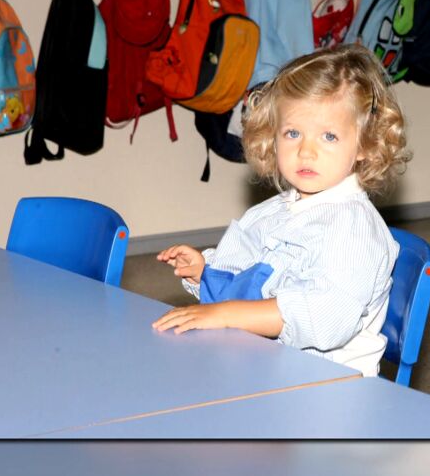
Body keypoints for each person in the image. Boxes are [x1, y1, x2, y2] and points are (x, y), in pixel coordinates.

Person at [152, 44, 412, 377]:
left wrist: (226, 313)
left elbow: (323, 319)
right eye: (293, 133)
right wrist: (206, 273)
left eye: (329, 136)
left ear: (365, 144)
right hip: (269, 366)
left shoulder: (354, 229)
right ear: (272, 136)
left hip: (329, 387)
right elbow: (250, 281)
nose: (306, 151)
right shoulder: (270, 213)